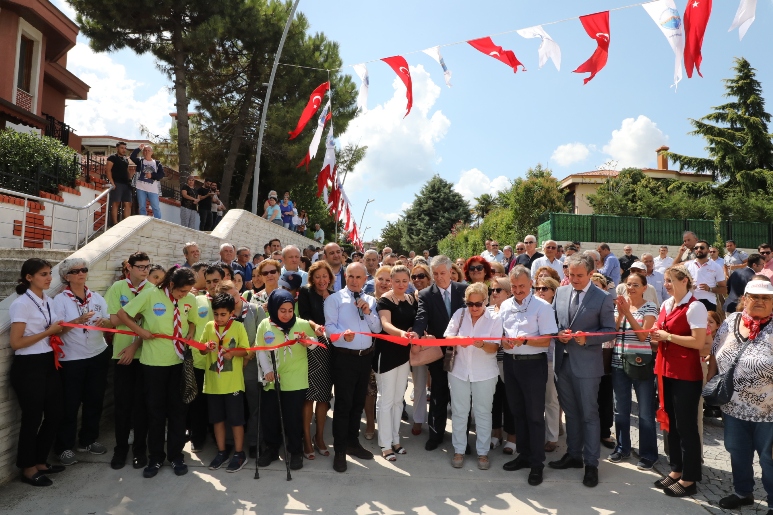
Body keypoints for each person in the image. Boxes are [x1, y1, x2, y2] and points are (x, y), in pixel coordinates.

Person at [116, 267, 198, 478]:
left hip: (178, 363)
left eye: (187, 291)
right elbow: (122, 314)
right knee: (155, 413)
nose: (184, 295)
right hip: (152, 365)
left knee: (178, 411)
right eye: (181, 291)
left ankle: (176, 455)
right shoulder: (151, 295)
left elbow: (192, 323)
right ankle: (155, 457)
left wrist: (189, 335)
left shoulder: (190, 299)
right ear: (171, 284)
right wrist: (140, 332)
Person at [549, 254, 616, 488]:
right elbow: (554, 323)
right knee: (571, 413)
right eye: (570, 275)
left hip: (587, 365)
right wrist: (559, 333)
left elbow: (610, 331)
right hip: (562, 362)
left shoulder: (603, 298)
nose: (574, 279)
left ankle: (591, 464)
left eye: (579, 275)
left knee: (589, 414)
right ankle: (574, 455)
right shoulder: (561, 292)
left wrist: (587, 338)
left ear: (590, 273)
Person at [708, 279, 773, 510]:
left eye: (766, 298)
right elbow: (716, 352)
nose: (760, 301)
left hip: (768, 411)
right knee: (737, 451)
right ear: (744, 299)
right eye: (754, 296)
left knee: (769, 459)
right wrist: (710, 384)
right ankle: (743, 492)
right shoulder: (731, 321)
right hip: (732, 407)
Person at [651, 265, 708, 497]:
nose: (666, 284)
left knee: (686, 426)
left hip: (685, 374)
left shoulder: (695, 306)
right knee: (671, 425)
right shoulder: (667, 304)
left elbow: (697, 342)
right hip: (666, 371)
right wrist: (656, 332)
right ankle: (676, 469)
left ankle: (690, 478)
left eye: (670, 280)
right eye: (664, 280)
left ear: (684, 281)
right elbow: (660, 330)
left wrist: (668, 336)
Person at [9, 258, 67, 486]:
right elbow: (16, 343)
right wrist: (49, 332)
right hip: (28, 367)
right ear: (29, 277)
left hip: (47, 362)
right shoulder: (21, 304)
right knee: (32, 418)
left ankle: (40, 460)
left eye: (49, 273)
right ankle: (28, 467)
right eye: (43, 274)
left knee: (55, 413)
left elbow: (52, 330)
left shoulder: (48, 301)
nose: (48, 278)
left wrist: (70, 325)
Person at [498, 266, 557, 485]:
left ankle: (537, 463)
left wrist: (524, 340)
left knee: (534, 416)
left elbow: (546, 340)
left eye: (522, 286)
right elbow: (500, 335)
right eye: (514, 286)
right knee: (517, 413)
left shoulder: (543, 307)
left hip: (533, 366)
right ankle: (523, 455)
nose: (518, 290)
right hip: (512, 364)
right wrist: (504, 341)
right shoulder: (505, 305)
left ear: (531, 283)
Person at [256, 290, 326, 470]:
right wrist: (268, 370)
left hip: (296, 381)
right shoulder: (265, 324)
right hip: (272, 380)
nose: (287, 314)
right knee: (270, 417)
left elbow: (314, 345)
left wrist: (307, 341)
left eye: (289, 310)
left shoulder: (302, 323)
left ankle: (295, 450)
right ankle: (272, 448)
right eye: (282, 310)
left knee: (293, 418)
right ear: (273, 309)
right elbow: (260, 349)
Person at [52, 259, 113, 465]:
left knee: (94, 400)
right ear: (66, 277)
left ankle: (88, 440)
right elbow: (57, 330)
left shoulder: (95, 297)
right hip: (72, 358)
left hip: (97, 354)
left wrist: (103, 322)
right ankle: (64, 447)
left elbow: (109, 321)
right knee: (70, 404)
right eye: (75, 271)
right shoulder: (60, 300)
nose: (81, 273)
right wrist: (76, 322)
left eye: (84, 270)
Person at [324, 263, 382, 472]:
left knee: (358, 403)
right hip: (344, 358)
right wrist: (342, 334)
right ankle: (339, 450)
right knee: (343, 405)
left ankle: (352, 443)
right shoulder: (334, 299)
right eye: (351, 276)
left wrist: (368, 312)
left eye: (359, 277)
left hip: (364, 358)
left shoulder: (370, 300)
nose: (355, 281)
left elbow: (376, 328)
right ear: (345, 277)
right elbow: (329, 328)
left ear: (365, 278)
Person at [443, 282, 503, 470]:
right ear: (466, 302)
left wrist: (481, 344)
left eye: (478, 304)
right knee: (459, 412)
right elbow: (447, 337)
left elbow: (495, 347)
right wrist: (461, 340)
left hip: (485, 373)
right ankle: (459, 450)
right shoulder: (459, 314)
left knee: (483, 413)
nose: (474, 308)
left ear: (486, 301)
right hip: (459, 371)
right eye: (470, 304)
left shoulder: (494, 318)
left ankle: (483, 453)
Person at [413, 255, 467, 451]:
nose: (439, 277)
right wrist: (415, 333)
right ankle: (435, 435)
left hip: (462, 352)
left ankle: (462, 439)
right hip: (438, 353)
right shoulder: (427, 294)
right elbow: (421, 318)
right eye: (435, 274)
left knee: (460, 397)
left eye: (442, 273)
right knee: (438, 394)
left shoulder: (464, 290)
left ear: (451, 271)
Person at [105, 252, 151, 470]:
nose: (144, 270)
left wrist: (135, 343)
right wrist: (138, 318)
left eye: (147, 267)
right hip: (121, 355)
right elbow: (113, 320)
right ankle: (120, 449)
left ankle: (140, 451)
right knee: (122, 406)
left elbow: (153, 327)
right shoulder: (117, 288)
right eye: (140, 267)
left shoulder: (152, 290)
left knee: (141, 407)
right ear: (129, 268)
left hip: (146, 356)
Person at [609, 271, 658, 470]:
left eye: (636, 284)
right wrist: (620, 314)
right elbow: (613, 332)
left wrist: (628, 312)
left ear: (644, 287)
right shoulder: (620, 306)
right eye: (629, 284)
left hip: (641, 363)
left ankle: (648, 454)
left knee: (645, 412)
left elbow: (642, 336)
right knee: (620, 410)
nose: (631, 288)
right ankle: (622, 448)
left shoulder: (650, 306)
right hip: (619, 362)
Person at [198, 293, 250, 472]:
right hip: (213, 384)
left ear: (231, 313)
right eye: (216, 314)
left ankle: (238, 453)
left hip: (233, 384)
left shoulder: (237, 327)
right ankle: (221, 451)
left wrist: (232, 353)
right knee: (217, 420)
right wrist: (206, 348)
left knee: (236, 420)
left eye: (223, 314)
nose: (219, 318)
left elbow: (246, 351)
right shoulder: (208, 327)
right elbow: (202, 350)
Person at [375, 265, 418, 461]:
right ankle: (384, 444)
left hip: (403, 354)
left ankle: (395, 439)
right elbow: (385, 324)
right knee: (386, 400)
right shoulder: (385, 300)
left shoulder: (411, 299)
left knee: (397, 400)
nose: (401, 284)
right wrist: (401, 333)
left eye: (404, 281)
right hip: (387, 354)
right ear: (391, 281)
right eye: (397, 281)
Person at [298, 261, 335, 460]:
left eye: (325, 276)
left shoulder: (335, 295)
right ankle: (306, 438)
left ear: (330, 277)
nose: (322, 280)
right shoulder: (305, 292)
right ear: (312, 278)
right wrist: (316, 327)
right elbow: (303, 316)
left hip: (332, 349)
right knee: (309, 396)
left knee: (324, 396)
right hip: (312, 347)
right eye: (318, 276)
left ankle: (319, 437)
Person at [488, 277, 516, 455]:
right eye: (492, 290)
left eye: (498, 290)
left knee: (510, 400)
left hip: (509, 361)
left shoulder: (514, 310)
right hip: (489, 361)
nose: (494, 293)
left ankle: (512, 437)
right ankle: (496, 433)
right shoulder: (487, 310)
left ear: (508, 292)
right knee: (493, 400)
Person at [533, 276, 561, 453]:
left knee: (551, 400)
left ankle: (552, 437)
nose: (540, 291)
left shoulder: (558, 311)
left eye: (545, 289)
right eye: (538, 288)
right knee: (535, 400)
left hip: (551, 359)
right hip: (533, 359)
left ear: (554, 291)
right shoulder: (532, 308)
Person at [685, 240, 727, 311]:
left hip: (709, 302)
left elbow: (724, 289)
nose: (699, 250)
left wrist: (709, 289)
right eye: (696, 248)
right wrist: (689, 287)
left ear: (708, 251)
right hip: (690, 301)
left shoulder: (716, 267)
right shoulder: (687, 265)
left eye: (702, 248)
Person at [129, 144, 164, 219]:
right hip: (140, 188)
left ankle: (158, 222)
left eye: (148, 150)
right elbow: (132, 157)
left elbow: (161, 175)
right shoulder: (140, 161)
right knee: (142, 207)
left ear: (152, 152)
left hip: (153, 189)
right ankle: (143, 221)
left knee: (156, 207)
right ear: (143, 152)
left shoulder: (157, 163)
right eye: (145, 150)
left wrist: (152, 176)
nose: (147, 152)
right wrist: (139, 148)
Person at [106, 141, 133, 225]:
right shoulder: (112, 158)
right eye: (122, 148)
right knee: (116, 203)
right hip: (117, 183)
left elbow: (127, 171)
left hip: (126, 185)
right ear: (117, 148)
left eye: (125, 148)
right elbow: (108, 170)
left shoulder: (126, 159)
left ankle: (126, 224)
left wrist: (130, 179)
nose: (124, 150)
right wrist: (112, 182)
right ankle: (115, 223)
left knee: (128, 204)